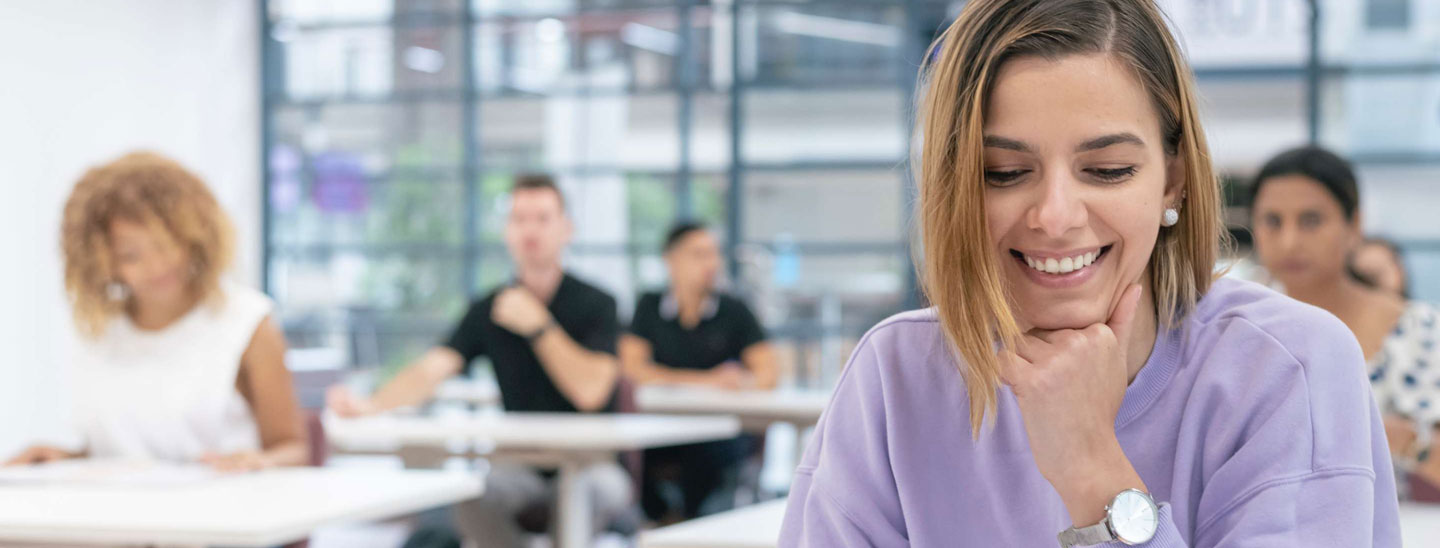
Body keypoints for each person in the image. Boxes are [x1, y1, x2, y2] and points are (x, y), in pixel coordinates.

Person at [780, 1, 1400, 546]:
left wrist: (1091, 468)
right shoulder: (894, 379)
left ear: (1174, 180)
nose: (1054, 217)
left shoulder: (1289, 367)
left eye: (1107, 170)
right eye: (1002, 172)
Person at [325, 174, 630, 547]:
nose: (529, 230)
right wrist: (370, 405)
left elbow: (591, 392)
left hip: (591, 464)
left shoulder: (598, 304)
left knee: (583, 492)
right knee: (471, 493)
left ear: (566, 229)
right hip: (521, 465)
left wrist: (539, 326)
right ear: (506, 231)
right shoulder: (490, 308)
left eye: (542, 218)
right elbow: (433, 368)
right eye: (519, 219)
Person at [4, 152, 308, 471]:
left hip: (223, 512)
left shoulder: (246, 322)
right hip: (121, 516)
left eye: (167, 244)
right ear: (102, 261)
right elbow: (127, 455)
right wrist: (67, 460)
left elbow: (294, 449)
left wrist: (258, 462)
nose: (157, 266)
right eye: (131, 256)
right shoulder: (99, 330)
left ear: (195, 235)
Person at [1249, 146, 1440, 493]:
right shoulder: (1232, 324)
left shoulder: (1417, 330)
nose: (1289, 241)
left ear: (1354, 225)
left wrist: (1406, 440)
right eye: (1273, 221)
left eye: (1311, 221)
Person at [620, 222, 778, 521]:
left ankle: (686, 525)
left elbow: (768, 373)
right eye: (699, 254)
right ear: (671, 260)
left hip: (721, 429)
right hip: (661, 427)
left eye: (714, 254)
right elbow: (630, 371)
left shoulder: (735, 310)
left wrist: (742, 381)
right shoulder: (649, 307)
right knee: (629, 453)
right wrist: (710, 381)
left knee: (712, 452)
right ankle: (662, 520)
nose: (712, 263)